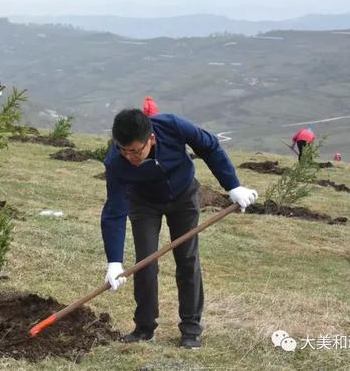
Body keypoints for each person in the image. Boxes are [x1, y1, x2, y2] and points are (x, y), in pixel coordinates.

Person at [101, 109, 258, 349]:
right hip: (143, 203)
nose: (130, 157)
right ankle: (144, 328)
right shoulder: (116, 162)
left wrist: (233, 186)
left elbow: (209, 146)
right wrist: (114, 261)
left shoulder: (171, 126)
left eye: (135, 150)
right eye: (123, 150)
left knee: (187, 259)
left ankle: (191, 329)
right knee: (145, 261)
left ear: (150, 139)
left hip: (184, 196)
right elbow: (114, 210)